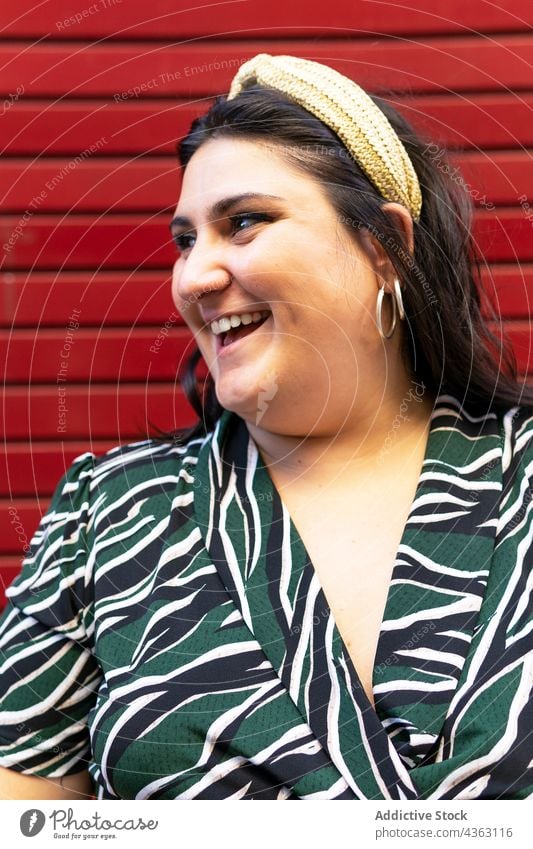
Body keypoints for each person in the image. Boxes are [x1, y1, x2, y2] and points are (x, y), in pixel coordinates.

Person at [0, 53, 532, 801]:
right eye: (186, 240)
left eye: (242, 223)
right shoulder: (109, 514)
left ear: (385, 246)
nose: (192, 277)